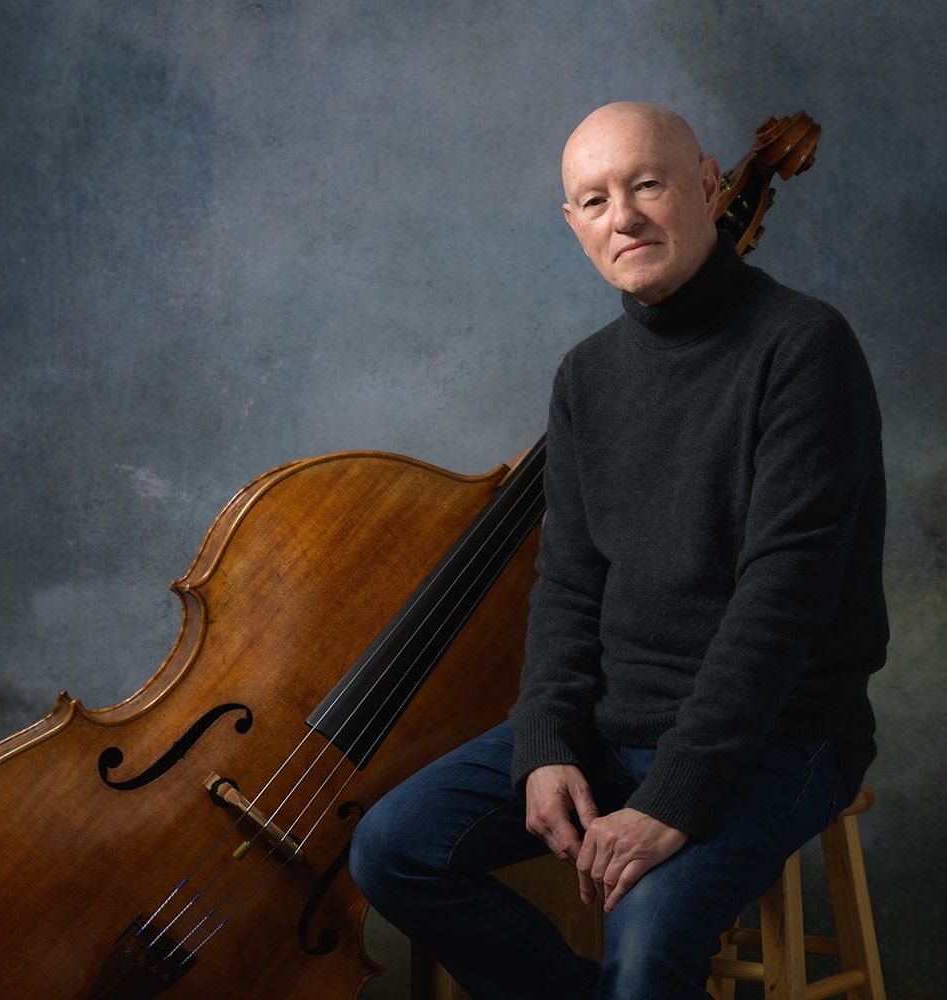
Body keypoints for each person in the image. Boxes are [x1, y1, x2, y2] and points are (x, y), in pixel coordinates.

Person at [349, 102, 888, 999]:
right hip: (608, 726)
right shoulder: (586, 377)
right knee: (393, 850)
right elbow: (568, 582)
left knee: (642, 961)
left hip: (777, 735)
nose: (623, 216)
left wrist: (672, 797)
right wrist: (549, 741)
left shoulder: (804, 347)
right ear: (574, 226)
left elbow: (781, 604)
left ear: (709, 185)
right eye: (594, 201)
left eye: (647, 184)